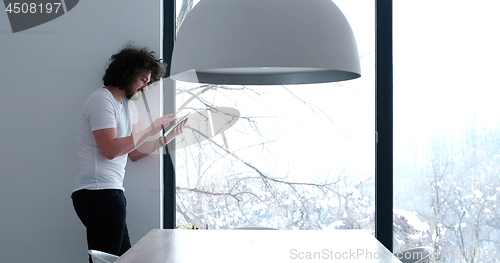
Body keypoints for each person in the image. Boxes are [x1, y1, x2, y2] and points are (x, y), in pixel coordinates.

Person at [71, 44, 187, 262]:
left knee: (124, 259)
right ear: (129, 73)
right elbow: (111, 150)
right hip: (98, 194)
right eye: (143, 79)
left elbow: (133, 152)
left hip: (112, 194)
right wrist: (151, 128)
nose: (145, 87)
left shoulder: (127, 107)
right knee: (108, 260)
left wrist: (165, 138)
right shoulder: (101, 100)